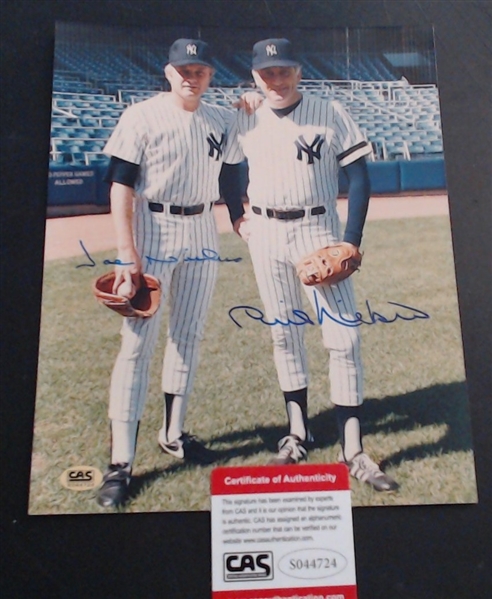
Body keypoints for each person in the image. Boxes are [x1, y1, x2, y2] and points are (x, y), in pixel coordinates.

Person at [226, 38, 399, 492]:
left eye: (283, 70)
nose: (276, 80)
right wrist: (234, 216)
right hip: (264, 233)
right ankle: (297, 433)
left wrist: (351, 242)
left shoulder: (330, 111)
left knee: (343, 338)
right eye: (267, 73)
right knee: (284, 334)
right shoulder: (245, 116)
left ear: (299, 71)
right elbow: (228, 170)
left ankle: (353, 449)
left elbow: (359, 177)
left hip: (318, 232)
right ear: (254, 76)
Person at [96, 38, 245, 508]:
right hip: (152, 226)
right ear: (167, 71)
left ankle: (173, 435)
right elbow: (120, 184)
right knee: (137, 344)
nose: (190, 75)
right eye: (183, 67)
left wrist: (238, 214)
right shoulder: (141, 115)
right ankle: (121, 463)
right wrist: (126, 253)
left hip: (203, 227)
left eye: (199, 69)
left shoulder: (222, 118)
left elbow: (231, 175)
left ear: (210, 75)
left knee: (189, 335)